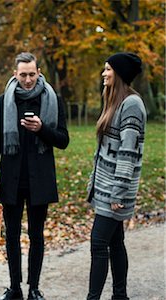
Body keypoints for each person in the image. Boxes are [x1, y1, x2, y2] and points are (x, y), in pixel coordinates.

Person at [0, 52, 69, 300]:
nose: (28, 79)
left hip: (40, 180)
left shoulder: (53, 99)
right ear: (15, 74)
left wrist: (43, 129)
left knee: (36, 234)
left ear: (39, 72)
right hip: (12, 180)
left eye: (32, 74)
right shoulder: (4, 101)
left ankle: (34, 287)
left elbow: (63, 140)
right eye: (23, 75)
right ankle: (15, 288)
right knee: (11, 235)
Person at [86, 52, 145, 300]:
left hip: (115, 189)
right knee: (115, 241)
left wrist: (118, 192)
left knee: (99, 243)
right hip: (107, 186)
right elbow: (105, 151)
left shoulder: (132, 104)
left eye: (108, 69)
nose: (104, 73)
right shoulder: (116, 101)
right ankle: (120, 296)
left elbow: (128, 153)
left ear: (118, 73)